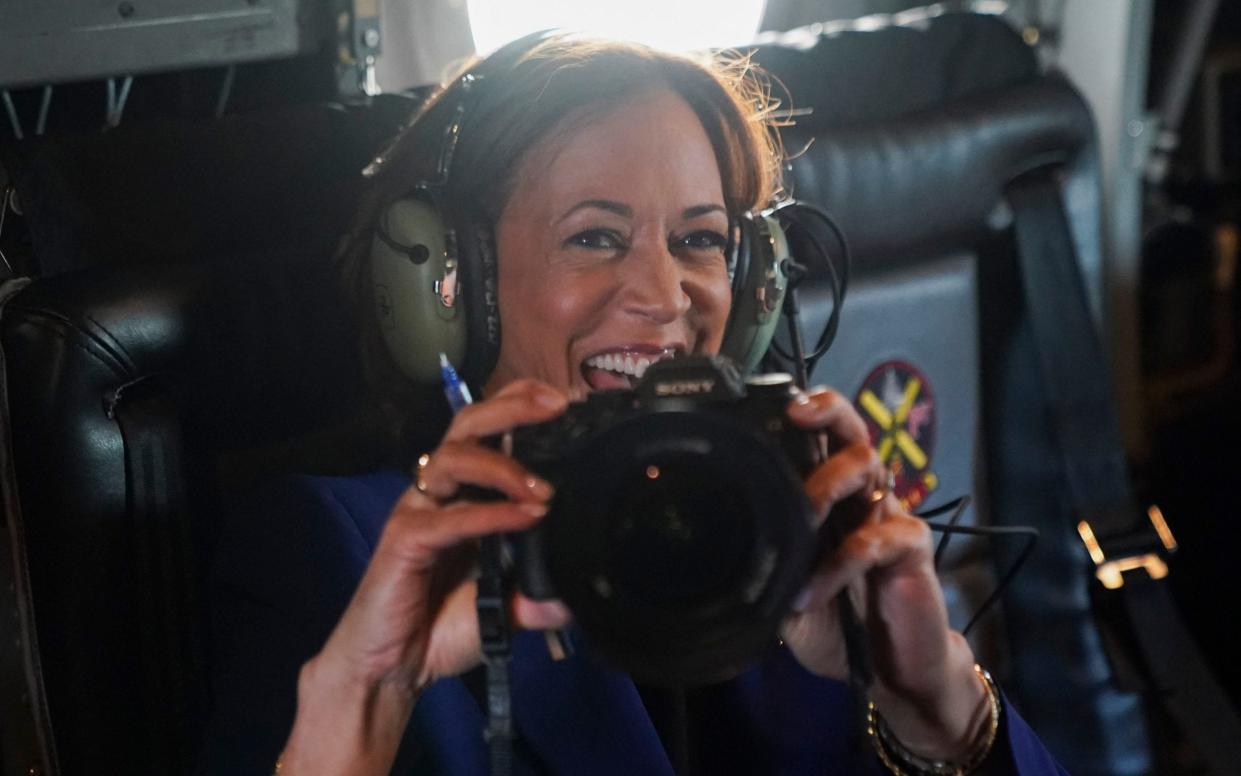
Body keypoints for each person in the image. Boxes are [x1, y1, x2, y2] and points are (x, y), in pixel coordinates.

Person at [202, 33, 1068, 775]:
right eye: (594, 238)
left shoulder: (791, 524)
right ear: (447, 285)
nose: (664, 295)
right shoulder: (343, 550)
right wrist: (366, 701)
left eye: (699, 241)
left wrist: (933, 702)